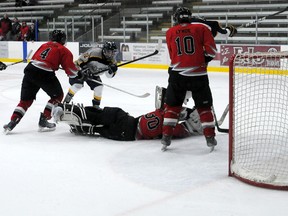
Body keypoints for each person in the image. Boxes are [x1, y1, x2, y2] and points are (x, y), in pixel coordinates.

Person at [52, 86, 203, 141]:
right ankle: (79, 127)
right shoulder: (174, 129)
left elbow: (171, 109)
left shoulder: (165, 112)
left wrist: (188, 113)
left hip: (127, 120)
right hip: (126, 135)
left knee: (97, 114)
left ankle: (65, 109)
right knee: (98, 129)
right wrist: (193, 123)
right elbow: (177, 130)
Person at [161, 7, 218, 152]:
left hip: (177, 75)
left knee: (172, 106)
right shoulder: (201, 28)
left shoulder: (170, 32)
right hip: (198, 75)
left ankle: (166, 137)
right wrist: (203, 59)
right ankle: (210, 138)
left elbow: (173, 53)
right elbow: (211, 51)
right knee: (204, 108)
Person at [3, 30, 81, 134]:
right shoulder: (64, 50)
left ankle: (12, 121)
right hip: (44, 73)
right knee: (57, 96)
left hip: (30, 70)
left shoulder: (44, 45)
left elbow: (37, 58)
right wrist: (79, 74)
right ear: (62, 39)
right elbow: (71, 70)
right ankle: (44, 119)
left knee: (25, 100)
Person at [63, 41, 118, 109]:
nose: (111, 55)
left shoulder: (113, 62)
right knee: (78, 85)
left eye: (113, 52)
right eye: (109, 52)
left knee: (99, 87)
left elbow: (109, 76)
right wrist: (84, 70)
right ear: (104, 50)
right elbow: (80, 61)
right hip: (79, 70)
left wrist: (112, 70)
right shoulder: (94, 52)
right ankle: (65, 102)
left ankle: (96, 106)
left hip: (93, 73)